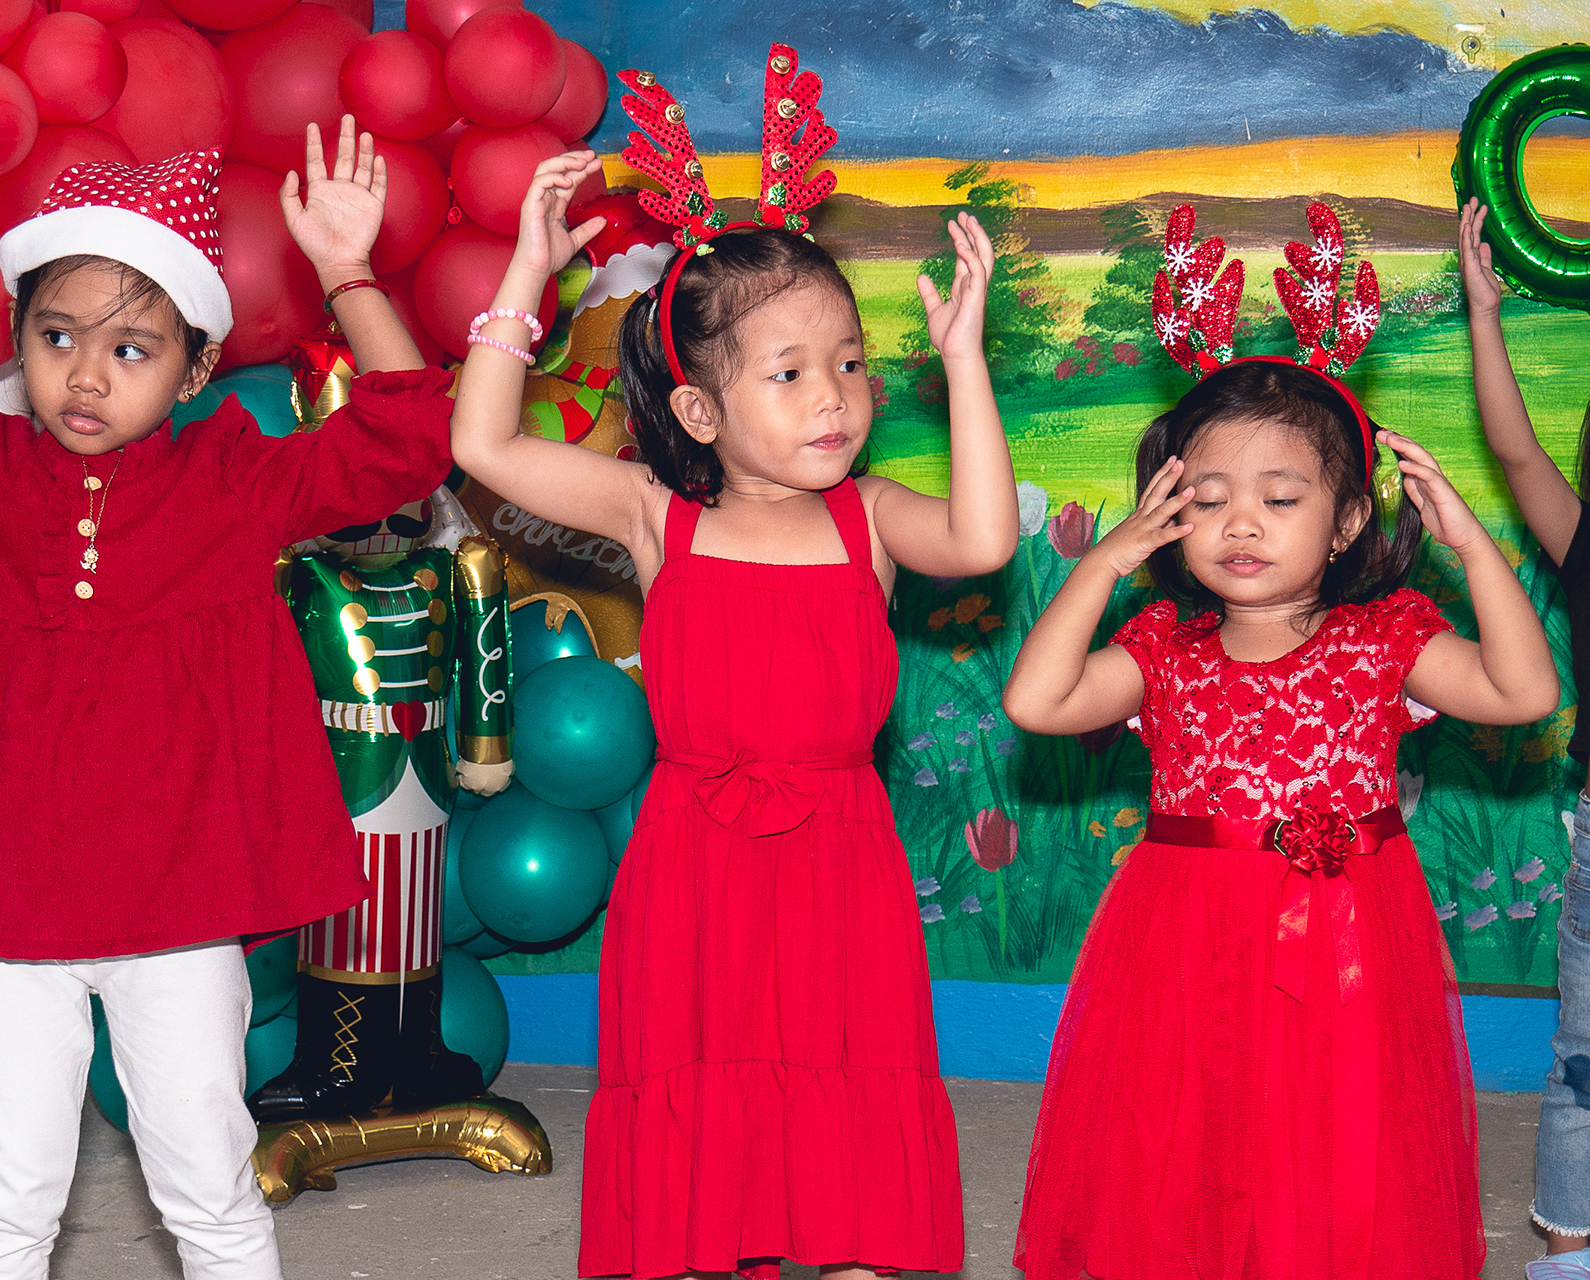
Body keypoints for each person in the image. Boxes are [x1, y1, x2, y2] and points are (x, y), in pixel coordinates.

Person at [0, 74, 452, 1280]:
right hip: (10, 907)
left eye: (131, 349)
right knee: (4, 1198)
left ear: (195, 368)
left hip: (183, 908)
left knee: (208, 1186)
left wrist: (348, 273)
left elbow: (409, 438)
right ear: (16, 335)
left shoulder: (236, 484)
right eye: (55, 336)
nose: (84, 375)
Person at [448, 42, 1017, 1277]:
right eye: (792, 373)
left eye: (851, 364)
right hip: (694, 866)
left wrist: (965, 363)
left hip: (839, 862)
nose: (835, 398)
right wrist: (527, 273)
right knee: (705, 1096)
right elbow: (484, 446)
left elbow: (985, 537)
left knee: (849, 1081)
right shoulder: (659, 516)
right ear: (700, 410)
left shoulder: (871, 520)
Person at [1003, 201, 1558, 1280]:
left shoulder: (1384, 637)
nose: (1242, 522)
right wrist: (1106, 561)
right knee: (1190, 1136)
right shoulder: (1162, 644)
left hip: (1349, 938)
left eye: (1279, 497)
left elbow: (1523, 689)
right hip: (1184, 939)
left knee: (1334, 1141)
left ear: (1347, 520)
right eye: (1207, 499)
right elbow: (1037, 701)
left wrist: (1474, 547)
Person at [1458, 195, 1590, 1280]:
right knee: (1585, 1060)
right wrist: (1486, 315)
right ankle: (1568, 1248)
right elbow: (1515, 450)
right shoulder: (1583, 538)